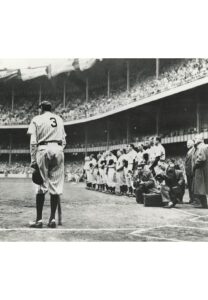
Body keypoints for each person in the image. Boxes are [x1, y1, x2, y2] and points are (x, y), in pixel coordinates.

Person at [27, 100, 66, 228]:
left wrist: (33, 159)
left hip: (43, 149)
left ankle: (39, 220)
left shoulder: (37, 119)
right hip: (58, 149)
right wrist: (58, 150)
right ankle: (52, 219)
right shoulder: (59, 119)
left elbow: (33, 142)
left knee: (41, 186)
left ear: (41, 108)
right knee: (55, 187)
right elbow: (64, 140)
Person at [192, 134, 208, 208]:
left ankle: (204, 204)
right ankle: (204, 204)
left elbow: (201, 159)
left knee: (201, 188)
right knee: (203, 187)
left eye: (195, 138)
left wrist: (194, 165)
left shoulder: (201, 147)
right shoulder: (204, 146)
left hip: (201, 170)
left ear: (200, 139)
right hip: (204, 169)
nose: (194, 139)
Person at [185, 139, 194, 203]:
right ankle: (191, 199)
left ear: (192, 143)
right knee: (190, 186)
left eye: (189, 143)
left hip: (191, 171)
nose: (187, 144)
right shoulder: (189, 151)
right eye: (187, 143)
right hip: (188, 171)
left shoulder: (193, 151)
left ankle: (193, 199)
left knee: (192, 186)